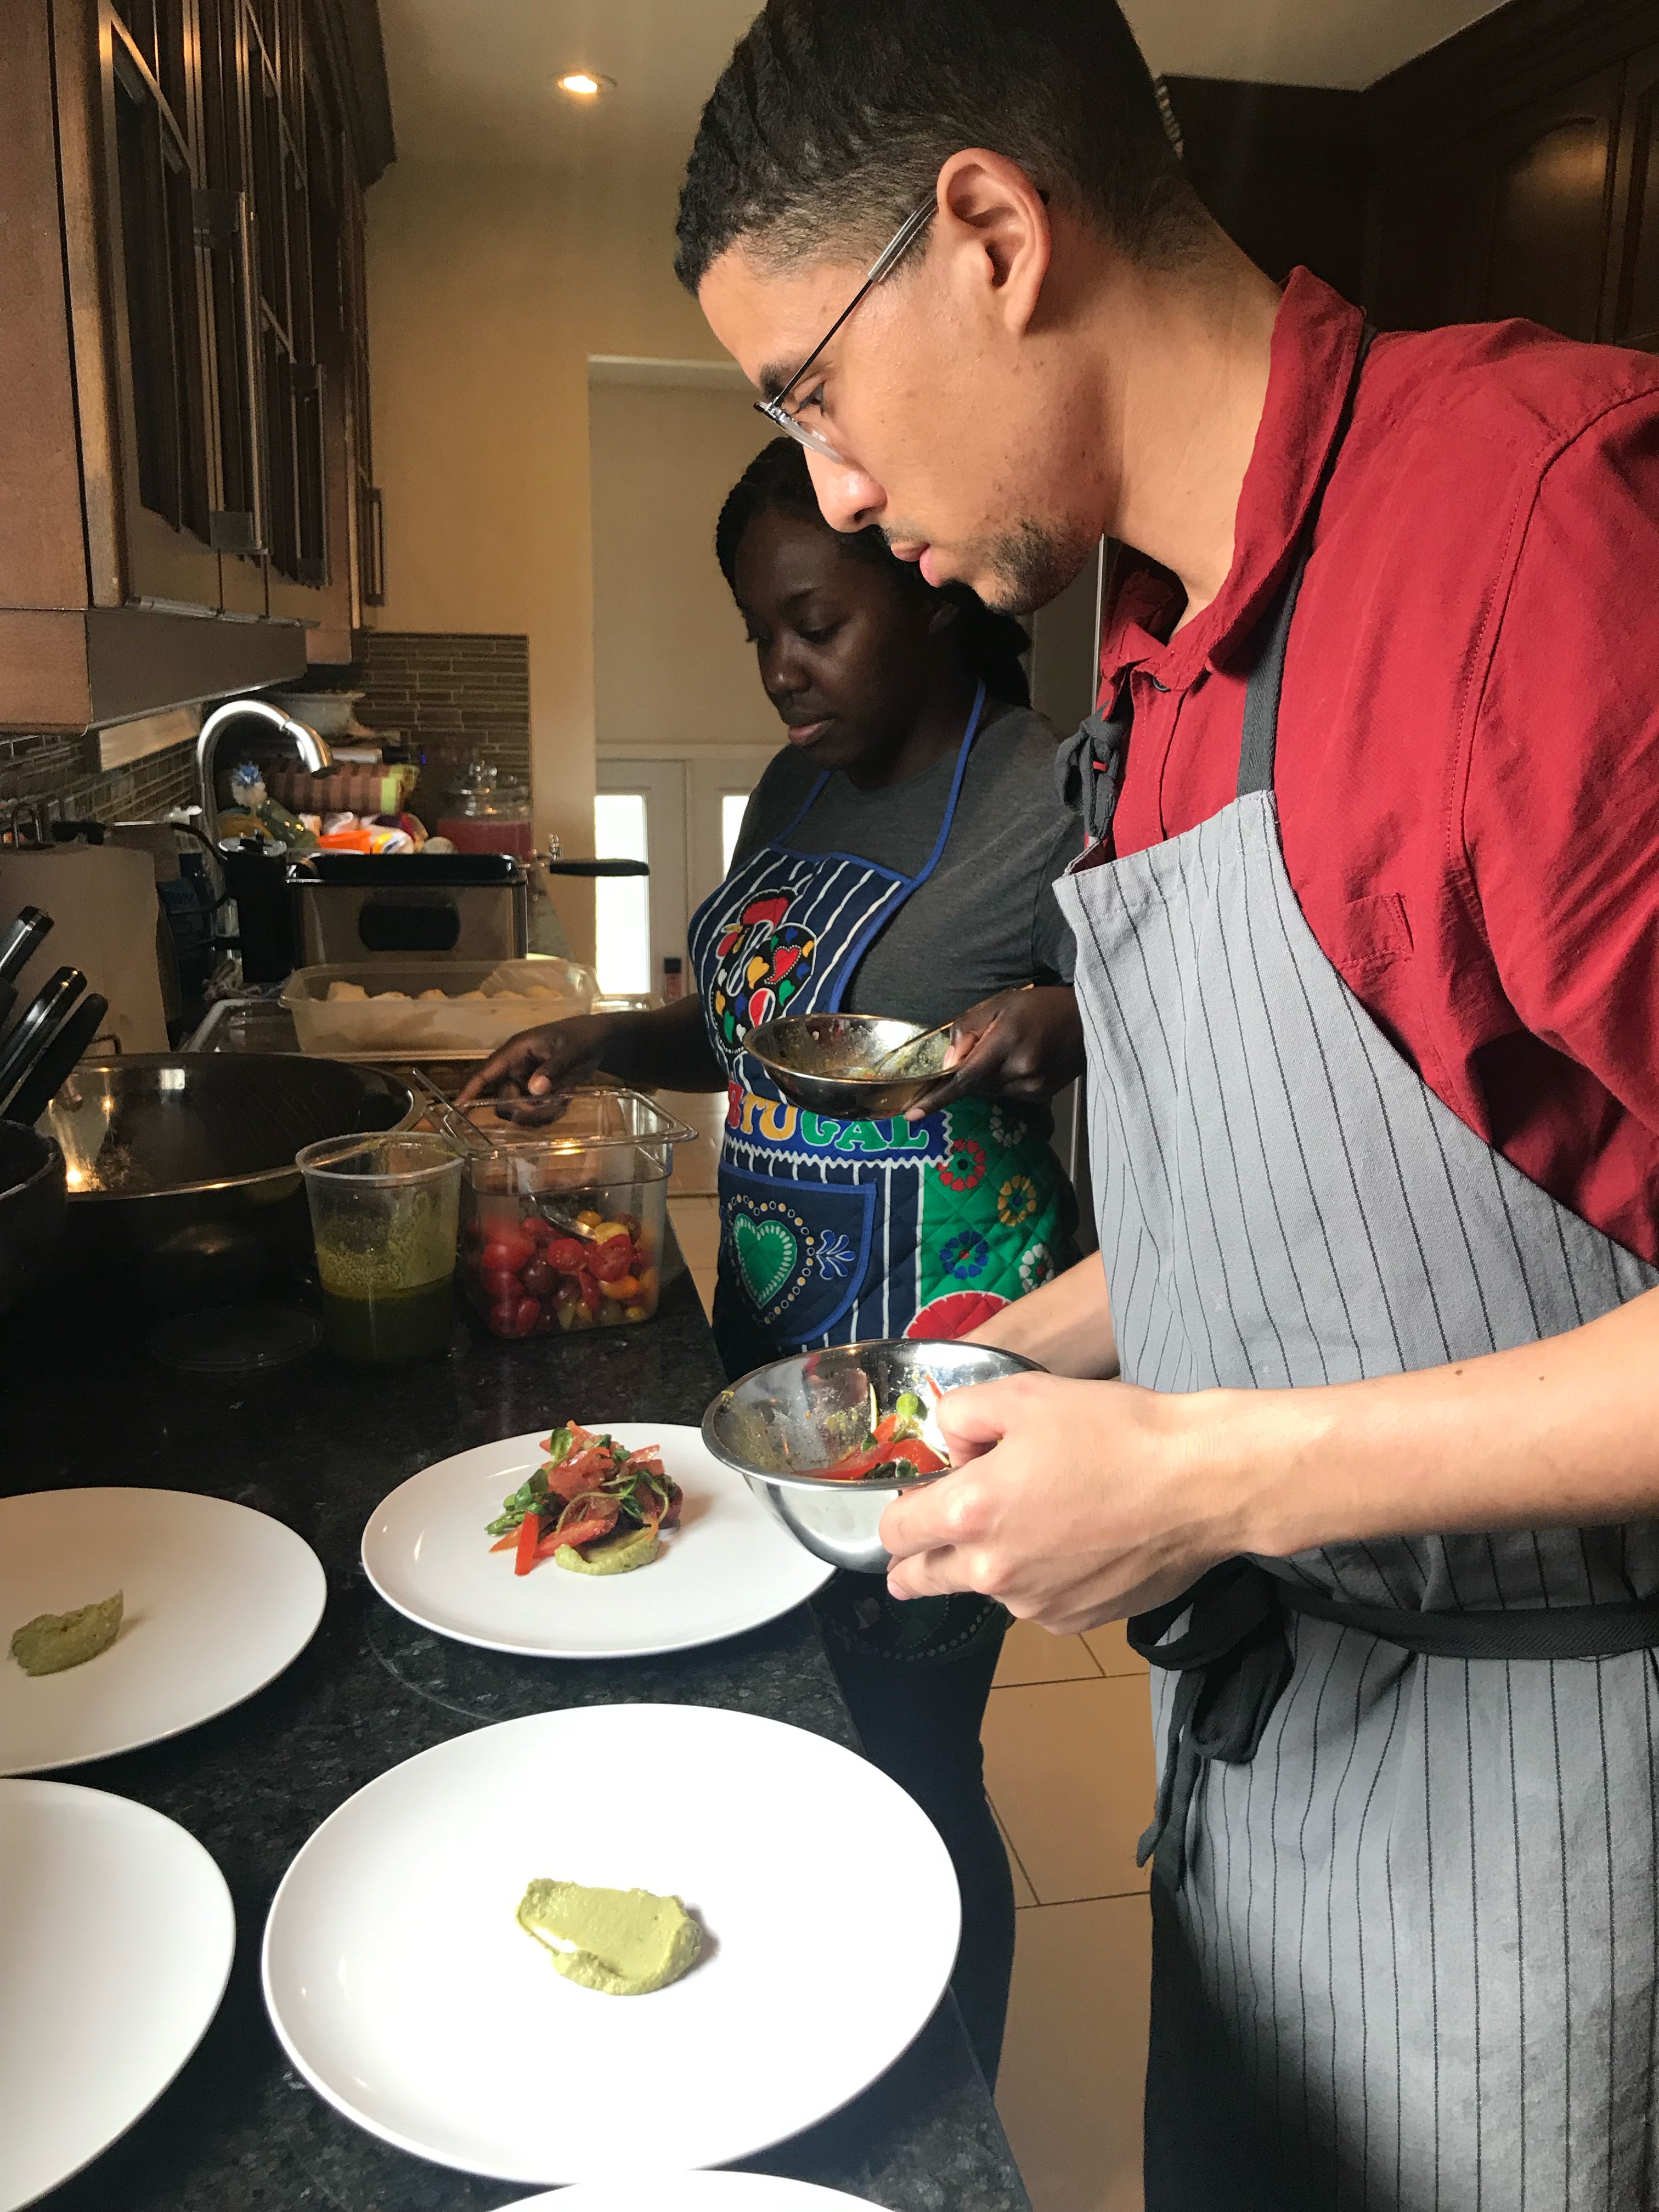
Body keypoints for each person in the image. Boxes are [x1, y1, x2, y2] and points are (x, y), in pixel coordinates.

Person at [679, 3, 1659, 2207]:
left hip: (1555, 1826)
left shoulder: (1547, 541)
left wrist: (1208, 1474)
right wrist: (997, 1355)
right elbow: (1342, 1201)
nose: (834, 490)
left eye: (813, 394)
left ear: (992, 233)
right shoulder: (1148, 644)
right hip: (1268, 1766)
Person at [459, 435, 1086, 2079]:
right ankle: (796, 2040)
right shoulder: (798, 784)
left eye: (814, 624)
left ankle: (940, 2098)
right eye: (760, 632)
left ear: (930, 592)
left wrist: (1068, 1021)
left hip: (935, 1386)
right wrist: (609, 1035)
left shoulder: (1051, 792)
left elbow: (1189, 1042)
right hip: (767, 1349)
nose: (780, 669)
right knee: (789, 1726)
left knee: (913, 1762)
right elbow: (752, 1031)